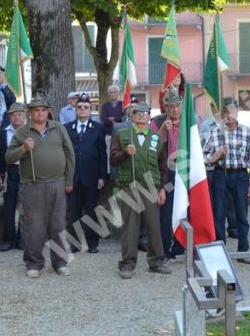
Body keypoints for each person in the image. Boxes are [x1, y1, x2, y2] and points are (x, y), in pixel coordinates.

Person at [5, 95, 75, 278]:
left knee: (58, 225)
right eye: (36, 110)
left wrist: (68, 181)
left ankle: (60, 262)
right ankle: (33, 263)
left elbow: (70, 155)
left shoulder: (58, 128)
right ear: (30, 113)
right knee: (34, 225)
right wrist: (23, 149)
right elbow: (8, 157)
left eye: (43, 109)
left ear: (48, 111)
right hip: (32, 185)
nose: (40, 112)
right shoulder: (22, 132)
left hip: (57, 184)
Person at [109, 102, 171, 278]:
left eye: (145, 113)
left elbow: (163, 166)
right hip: (129, 186)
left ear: (149, 116)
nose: (142, 115)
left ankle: (157, 261)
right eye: (138, 113)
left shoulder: (156, 138)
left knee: (153, 226)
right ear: (132, 116)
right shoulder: (122, 135)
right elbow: (113, 159)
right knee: (130, 227)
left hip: (151, 187)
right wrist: (124, 154)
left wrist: (162, 190)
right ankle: (127, 264)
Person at [203, 97, 250, 263]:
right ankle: (220, 252)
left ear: (237, 112)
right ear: (222, 114)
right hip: (221, 174)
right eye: (226, 111)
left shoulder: (247, 132)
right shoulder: (216, 132)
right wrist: (217, 154)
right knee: (219, 214)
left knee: (241, 215)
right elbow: (205, 156)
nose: (229, 114)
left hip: (241, 176)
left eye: (232, 111)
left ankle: (243, 251)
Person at [67, 93, 108, 254]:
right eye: (80, 107)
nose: (83, 109)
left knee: (92, 211)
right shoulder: (67, 127)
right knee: (74, 212)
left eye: (86, 107)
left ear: (91, 110)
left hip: (92, 177)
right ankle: (75, 243)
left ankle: (92, 243)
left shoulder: (97, 128)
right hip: (74, 177)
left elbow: (102, 154)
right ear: (75, 110)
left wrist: (102, 176)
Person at [156, 88, 182, 260]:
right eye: (170, 106)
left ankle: (180, 247)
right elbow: (152, 147)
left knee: (184, 210)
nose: (174, 109)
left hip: (185, 172)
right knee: (166, 213)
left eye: (177, 106)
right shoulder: (157, 123)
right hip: (167, 173)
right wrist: (163, 132)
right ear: (165, 108)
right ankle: (164, 250)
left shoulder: (189, 123)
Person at [0, 102, 26, 251]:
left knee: (25, 207)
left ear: (25, 115)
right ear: (9, 117)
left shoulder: (30, 132)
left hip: (27, 172)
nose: (17, 118)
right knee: (9, 206)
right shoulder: (2, 133)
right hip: (10, 172)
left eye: (20, 114)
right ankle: (8, 239)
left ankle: (22, 238)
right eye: (13, 115)